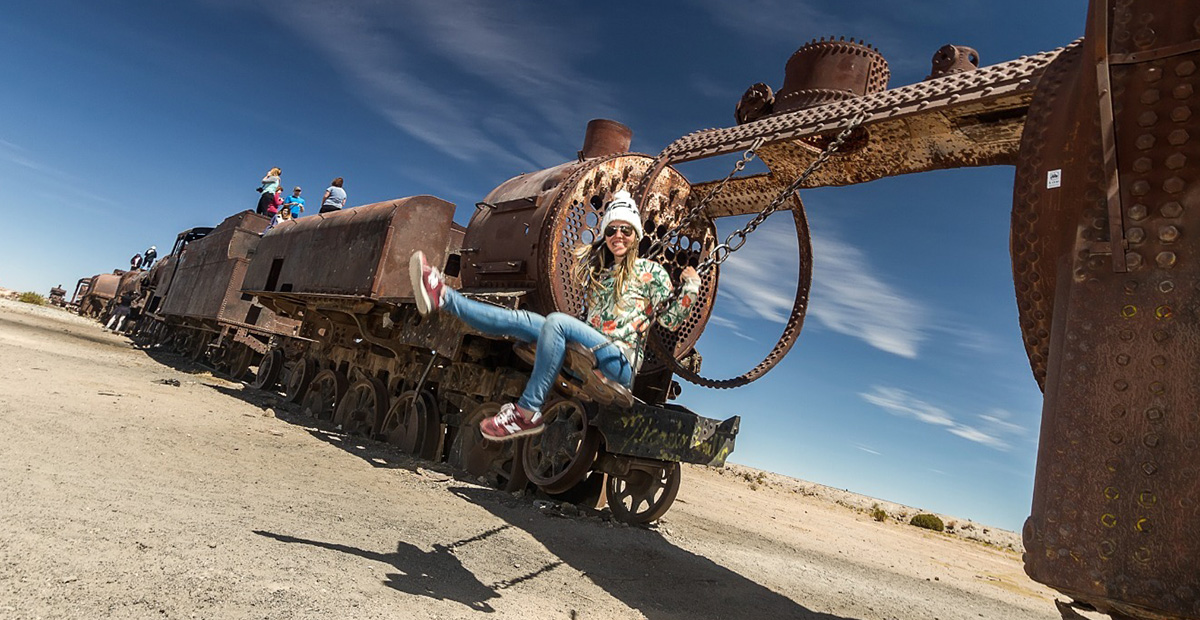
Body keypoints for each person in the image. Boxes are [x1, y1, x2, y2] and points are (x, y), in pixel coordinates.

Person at [409, 190, 701, 441]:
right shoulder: (602, 274)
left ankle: (526, 412)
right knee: (521, 321)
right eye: (611, 230)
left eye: (626, 230)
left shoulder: (651, 273)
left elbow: (670, 321)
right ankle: (443, 297)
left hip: (619, 362)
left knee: (557, 322)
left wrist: (691, 285)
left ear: (636, 234)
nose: (618, 236)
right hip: (592, 351)